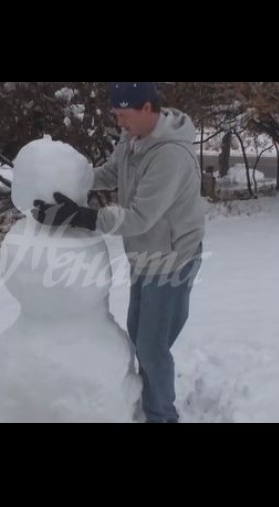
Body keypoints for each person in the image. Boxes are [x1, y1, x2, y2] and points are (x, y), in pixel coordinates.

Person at [32, 82, 205, 423]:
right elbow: (112, 172)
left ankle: (161, 416)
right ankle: (149, 397)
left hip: (171, 258)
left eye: (124, 116)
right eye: (116, 116)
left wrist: (81, 217)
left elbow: (140, 217)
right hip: (145, 253)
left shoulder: (170, 155)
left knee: (153, 347)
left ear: (147, 109)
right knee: (139, 332)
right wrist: (70, 185)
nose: (119, 124)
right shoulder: (134, 137)